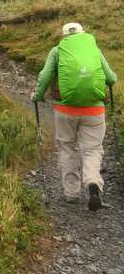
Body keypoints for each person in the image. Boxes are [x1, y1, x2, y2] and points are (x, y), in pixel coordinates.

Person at [33, 22, 117, 210]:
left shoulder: (57, 51)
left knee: (67, 148)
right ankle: (93, 184)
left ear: (64, 36)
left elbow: (45, 76)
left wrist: (37, 96)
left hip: (65, 110)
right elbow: (111, 78)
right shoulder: (93, 47)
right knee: (92, 149)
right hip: (94, 111)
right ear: (83, 34)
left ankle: (71, 193)